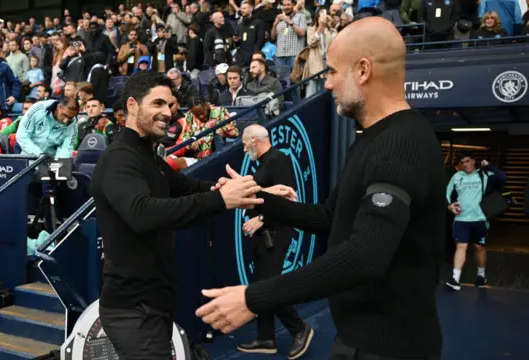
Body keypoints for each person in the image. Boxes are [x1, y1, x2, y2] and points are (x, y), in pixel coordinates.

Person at [196, 17, 447, 360]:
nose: (326, 84)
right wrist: (258, 198)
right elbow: (332, 216)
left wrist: (255, 298)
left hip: (391, 349)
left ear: (362, 70)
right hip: (357, 340)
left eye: (331, 71)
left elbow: (365, 255)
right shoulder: (371, 140)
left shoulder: (402, 143)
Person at [91, 71, 273, 359]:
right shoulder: (119, 158)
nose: (167, 112)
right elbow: (142, 213)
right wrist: (219, 199)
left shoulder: (148, 158)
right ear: (132, 106)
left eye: (170, 105)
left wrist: (258, 191)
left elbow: (193, 189)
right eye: (158, 104)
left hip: (153, 304)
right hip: (133, 311)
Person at [237, 124, 313, 359]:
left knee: (269, 287)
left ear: (254, 140)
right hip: (265, 236)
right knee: (261, 285)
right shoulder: (266, 163)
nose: (242, 148)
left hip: (276, 233)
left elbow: (286, 201)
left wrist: (260, 218)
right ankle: (266, 338)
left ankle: (300, 328)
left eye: (244, 143)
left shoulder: (277, 160)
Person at [445, 154, 506, 290]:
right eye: (462, 162)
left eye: (467, 161)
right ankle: (455, 278)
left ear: (473, 161)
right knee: (461, 246)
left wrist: (489, 165)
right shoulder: (457, 177)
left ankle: (481, 275)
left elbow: (502, 177)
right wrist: (449, 206)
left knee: (479, 248)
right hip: (461, 219)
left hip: (480, 219)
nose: (465, 165)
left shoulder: (484, 175)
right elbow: (447, 195)